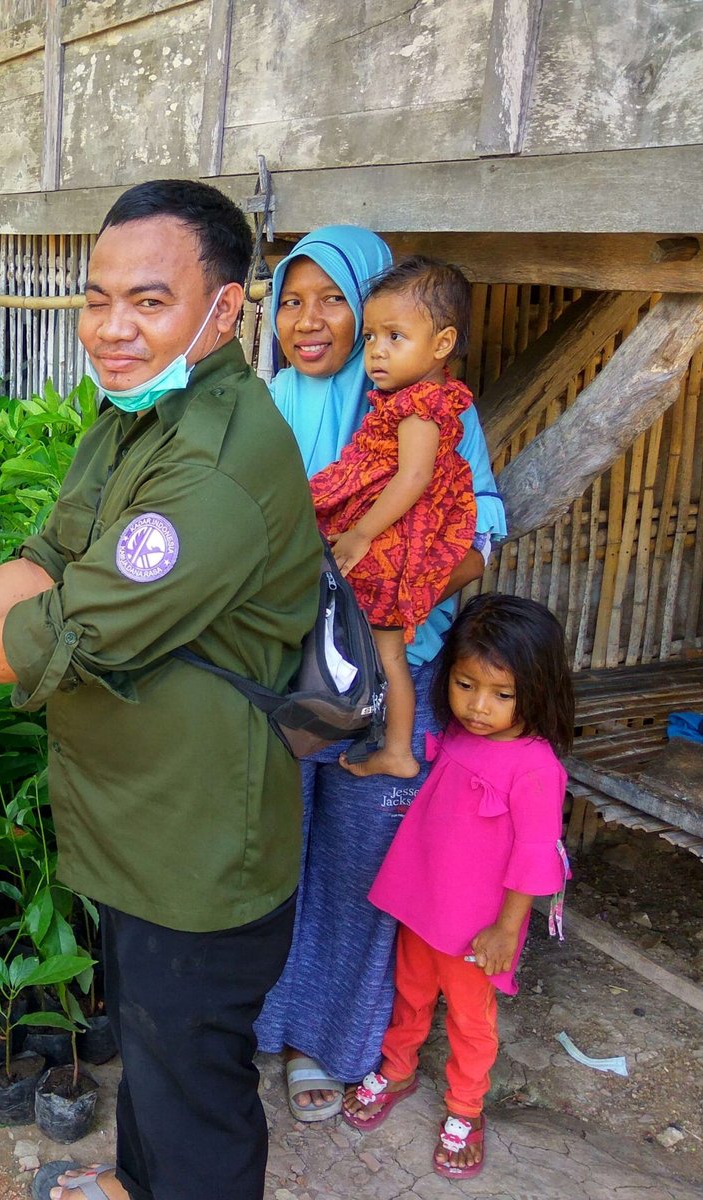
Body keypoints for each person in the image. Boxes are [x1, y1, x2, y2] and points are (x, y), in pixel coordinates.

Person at [0, 179, 323, 1200]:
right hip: (136, 816)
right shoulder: (139, 415)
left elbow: (68, 631)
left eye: (149, 301)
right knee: (151, 1049)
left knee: (194, 1081)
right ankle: (134, 1182)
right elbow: (45, 565)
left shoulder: (209, 467)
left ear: (223, 310)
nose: (112, 329)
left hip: (198, 841)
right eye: (96, 298)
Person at [253, 226, 509, 1124]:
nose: (309, 320)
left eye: (333, 301)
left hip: (395, 660)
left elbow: (483, 530)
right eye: (292, 300)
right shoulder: (267, 403)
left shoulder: (430, 406)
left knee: (363, 864)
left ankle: (329, 1043)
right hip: (286, 666)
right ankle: (263, 1023)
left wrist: (392, 588)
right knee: (274, 851)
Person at [343, 593, 574, 1181]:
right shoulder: (460, 735)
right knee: (411, 991)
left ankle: (466, 1109)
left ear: (539, 691)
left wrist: (506, 928)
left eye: (502, 695)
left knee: (472, 1019)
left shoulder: (537, 768)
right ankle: (398, 1066)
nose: (478, 707)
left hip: (477, 928)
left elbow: (533, 856)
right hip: (422, 903)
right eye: (466, 685)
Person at [310, 256, 477, 779]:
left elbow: (413, 479)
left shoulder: (420, 406)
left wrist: (360, 532)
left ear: (442, 344)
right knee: (380, 651)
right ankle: (390, 743)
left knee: (387, 653)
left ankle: (398, 750)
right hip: (392, 540)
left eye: (395, 337)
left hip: (390, 549)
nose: (377, 351)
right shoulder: (410, 398)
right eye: (372, 337)